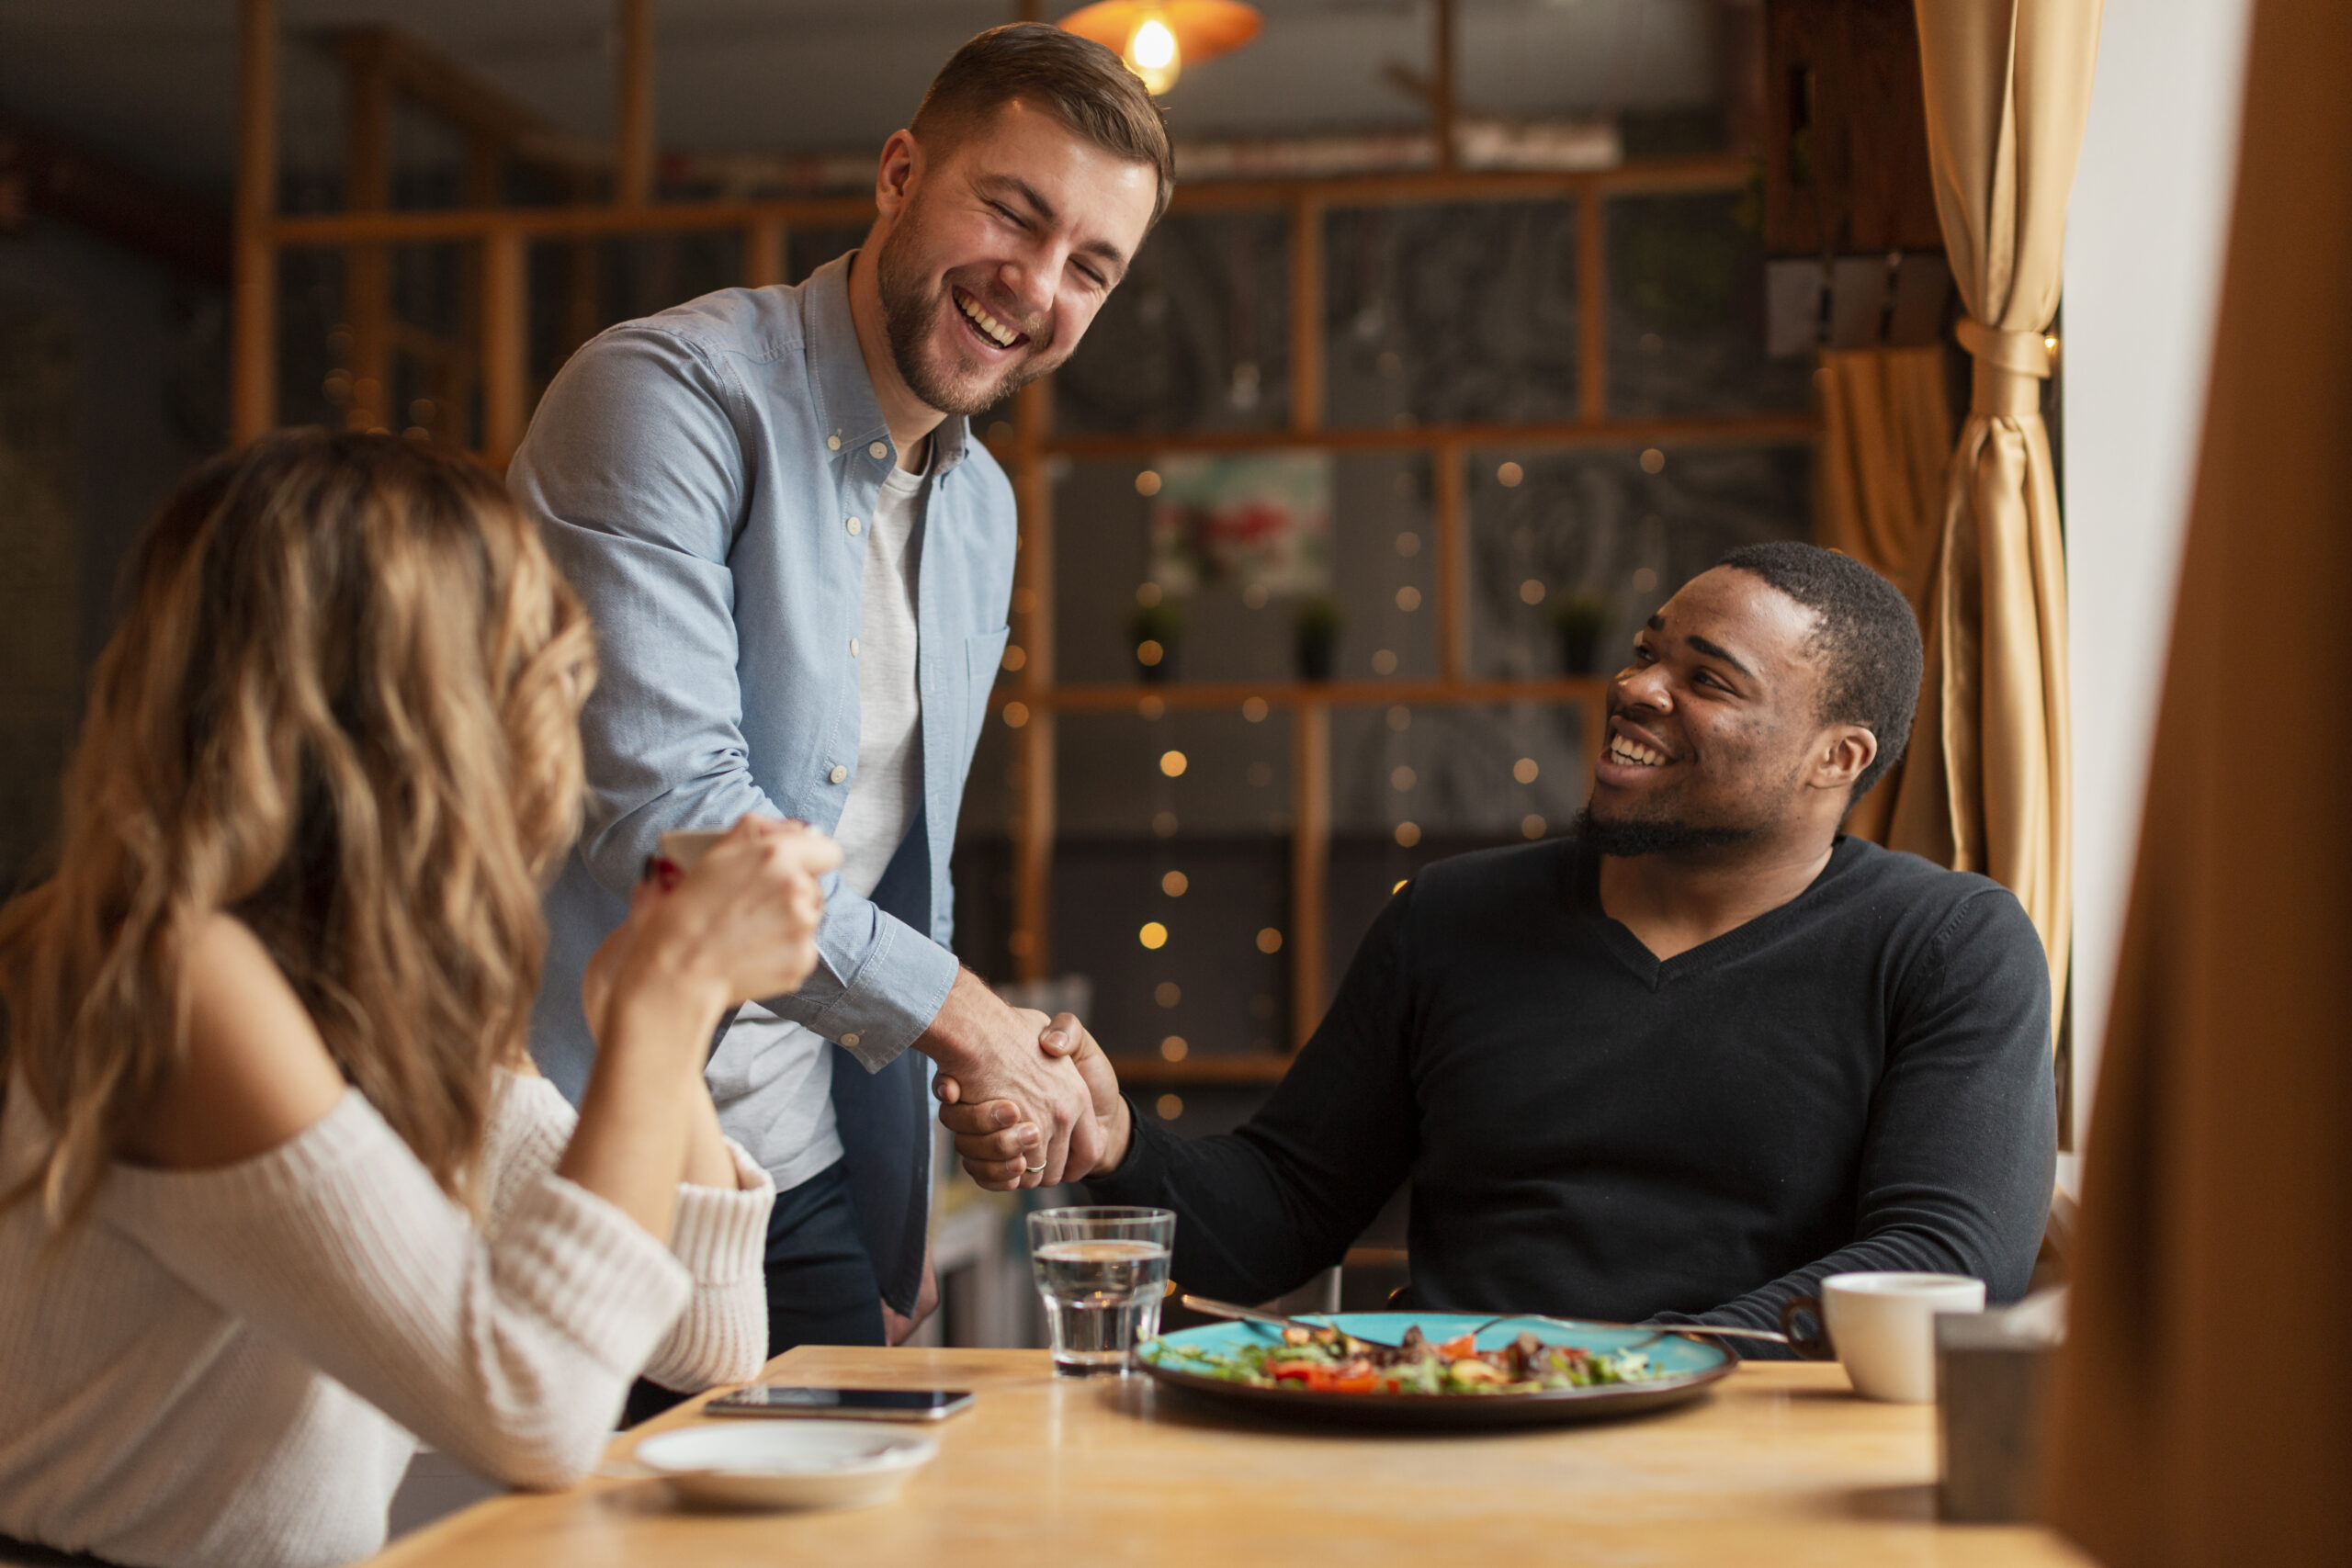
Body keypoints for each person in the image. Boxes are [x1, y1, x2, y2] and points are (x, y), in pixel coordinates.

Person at [0, 432, 828, 1568]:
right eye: (532, 674)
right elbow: (532, 1413)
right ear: (415, 706)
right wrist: (668, 1000)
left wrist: (658, 1023)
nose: (558, 732)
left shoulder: (355, 974)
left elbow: (712, 1338)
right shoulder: (169, 967)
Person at [941, 543, 2059, 1346]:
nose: (1634, 689)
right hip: (1452, 1435)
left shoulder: (1949, 943)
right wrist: (1116, 1140)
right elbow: (1280, 1214)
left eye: (1707, 680)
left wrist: (1623, 1369)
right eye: (1646, 653)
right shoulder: (1452, 917)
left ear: (1835, 758)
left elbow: (1946, 1261)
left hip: (1756, 1465)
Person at [509, 22, 1170, 1361]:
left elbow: (891, 861)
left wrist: (900, 1190)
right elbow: (674, 818)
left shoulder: (981, 507)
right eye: (1012, 210)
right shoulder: (666, 395)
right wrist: (969, 1022)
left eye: (1088, 267)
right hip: (567, 1136)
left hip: (796, 1166)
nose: (1035, 286)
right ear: (898, 173)